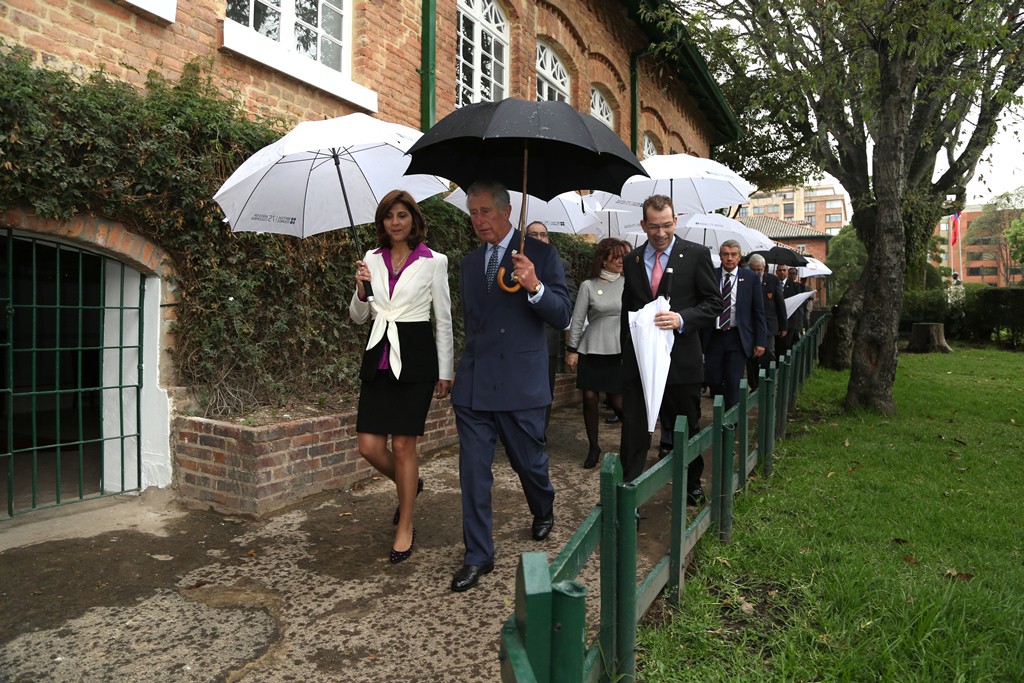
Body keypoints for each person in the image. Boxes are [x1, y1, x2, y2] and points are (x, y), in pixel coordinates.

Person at [450, 181, 572, 592]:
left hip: (521, 384)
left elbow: (563, 315)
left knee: (529, 463)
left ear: (506, 212)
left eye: (485, 212)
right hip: (475, 386)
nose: (478, 220)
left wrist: (535, 286)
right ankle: (478, 555)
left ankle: (543, 505)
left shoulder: (539, 254)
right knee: (472, 473)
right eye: (473, 213)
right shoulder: (469, 264)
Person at [349, 190, 454, 565]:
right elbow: (359, 316)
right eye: (389, 216)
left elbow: (443, 318)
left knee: (405, 446)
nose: (395, 222)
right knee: (369, 446)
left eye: (402, 215)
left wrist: (446, 370)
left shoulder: (434, 261)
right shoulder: (370, 260)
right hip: (379, 351)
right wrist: (361, 290)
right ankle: (411, 484)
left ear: (413, 220)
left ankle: (405, 524)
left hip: (416, 355)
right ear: (382, 222)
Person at [619, 194, 722, 503]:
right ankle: (628, 496)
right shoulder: (631, 260)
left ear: (676, 221)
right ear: (643, 225)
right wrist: (627, 356)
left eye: (666, 225)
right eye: (653, 227)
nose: (660, 233)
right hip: (641, 362)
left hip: (681, 362)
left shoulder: (697, 255)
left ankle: (691, 483)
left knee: (684, 427)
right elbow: (628, 310)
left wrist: (681, 318)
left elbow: (714, 303)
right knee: (634, 431)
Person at [565, 238, 630, 469]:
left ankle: (633, 440)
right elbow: (578, 319)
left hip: (620, 349)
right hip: (592, 348)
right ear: (603, 259)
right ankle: (594, 446)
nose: (621, 260)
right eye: (616, 256)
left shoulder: (630, 283)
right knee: (590, 398)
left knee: (617, 401)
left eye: (624, 255)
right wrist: (572, 350)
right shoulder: (588, 286)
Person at [524, 221, 578, 429]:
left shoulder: (560, 264)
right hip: (516, 339)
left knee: (543, 392)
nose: (539, 238)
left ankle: (538, 434)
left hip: (546, 338)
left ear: (548, 239)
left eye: (543, 235)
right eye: (533, 235)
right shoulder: (514, 261)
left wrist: (541, 295)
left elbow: (570, 298)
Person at [701, 240, 766, 409]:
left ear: (739, 257)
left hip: (737, 336)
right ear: (720, 256)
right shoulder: (710, 275)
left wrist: (760, 341)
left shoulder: (751, 278)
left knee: (733, 380)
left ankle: (730, 422)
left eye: (733, 255)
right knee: (713, 379)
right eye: (725, 254)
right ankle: (721, 408)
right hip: (714, 336)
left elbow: (758, 311)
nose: (729, 258)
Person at [746, 253, 787, 389]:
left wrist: (783, 326)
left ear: (764, 268)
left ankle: (769, 383)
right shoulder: (744, 280)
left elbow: (780, 304)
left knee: (768, 353)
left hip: (769, 326)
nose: (757, 272)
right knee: (751, 356)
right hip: (750, 326)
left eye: (759, 269)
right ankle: (755, 385)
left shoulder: (773, 281)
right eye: (754, 269)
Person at [781, 266, 808, 356]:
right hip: (782, 319)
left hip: (793, 320)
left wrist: (800, 322)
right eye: (790, 273)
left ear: (796, 275)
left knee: (790, 343)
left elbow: (801, 301)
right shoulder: (779, 284)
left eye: (794, 273)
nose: (792, 275)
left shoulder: (797, 286)